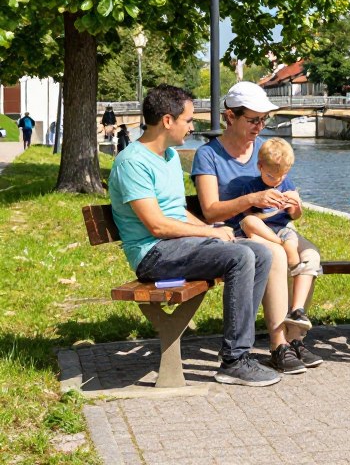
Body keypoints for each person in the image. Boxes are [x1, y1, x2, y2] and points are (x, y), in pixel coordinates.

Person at [108, 84, 279, 386]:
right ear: (167, 121)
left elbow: (176, 211)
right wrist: (205, 232)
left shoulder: (170, 156)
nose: (192, 126)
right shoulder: (132, 162)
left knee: (260, 251)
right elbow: (158, 226)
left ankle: (242, 350)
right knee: (240, 256)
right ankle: (234, 361)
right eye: (188, 120)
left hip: (177, 245)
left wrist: (211, 232)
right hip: (154, 253)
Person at [192, 81, 323, 375]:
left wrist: (292, 203)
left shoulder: (266, 151)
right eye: (253, 120)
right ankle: (278, 346)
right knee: (275, 255)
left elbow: (285, 190)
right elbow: (210, 210)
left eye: (264, 119)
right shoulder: (208, 155)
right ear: (230, 117)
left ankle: (294, 338)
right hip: (235, 232)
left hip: (272, 227)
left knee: (309, 256)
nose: (260, 126)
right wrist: (251, 199)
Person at [236, 138, 317, 330]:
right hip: (261, 230)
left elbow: (295, 216)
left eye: (283, 175)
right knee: (249, 222)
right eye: (272, 176)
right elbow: (247, 216)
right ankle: (281, 247)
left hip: (282, 229)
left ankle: (295, 274)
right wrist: (260, 207)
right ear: (260, 167)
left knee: (291, 243)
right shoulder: (252, 186)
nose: (278, 180)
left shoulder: (286, 184)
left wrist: (294, 205)